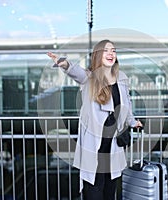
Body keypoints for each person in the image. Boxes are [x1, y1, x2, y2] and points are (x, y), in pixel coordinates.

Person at [47, 39, 143, 200]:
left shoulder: (122, 78)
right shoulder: (90, 77)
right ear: (98, 55)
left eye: (113, 50)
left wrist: (133, 122)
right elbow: (74, 70)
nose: (111, 54)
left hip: (113, 141)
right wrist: (63, 63)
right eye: (106, 50)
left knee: (110, 187)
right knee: (93, 187)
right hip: (95, 142)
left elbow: (127, 103)